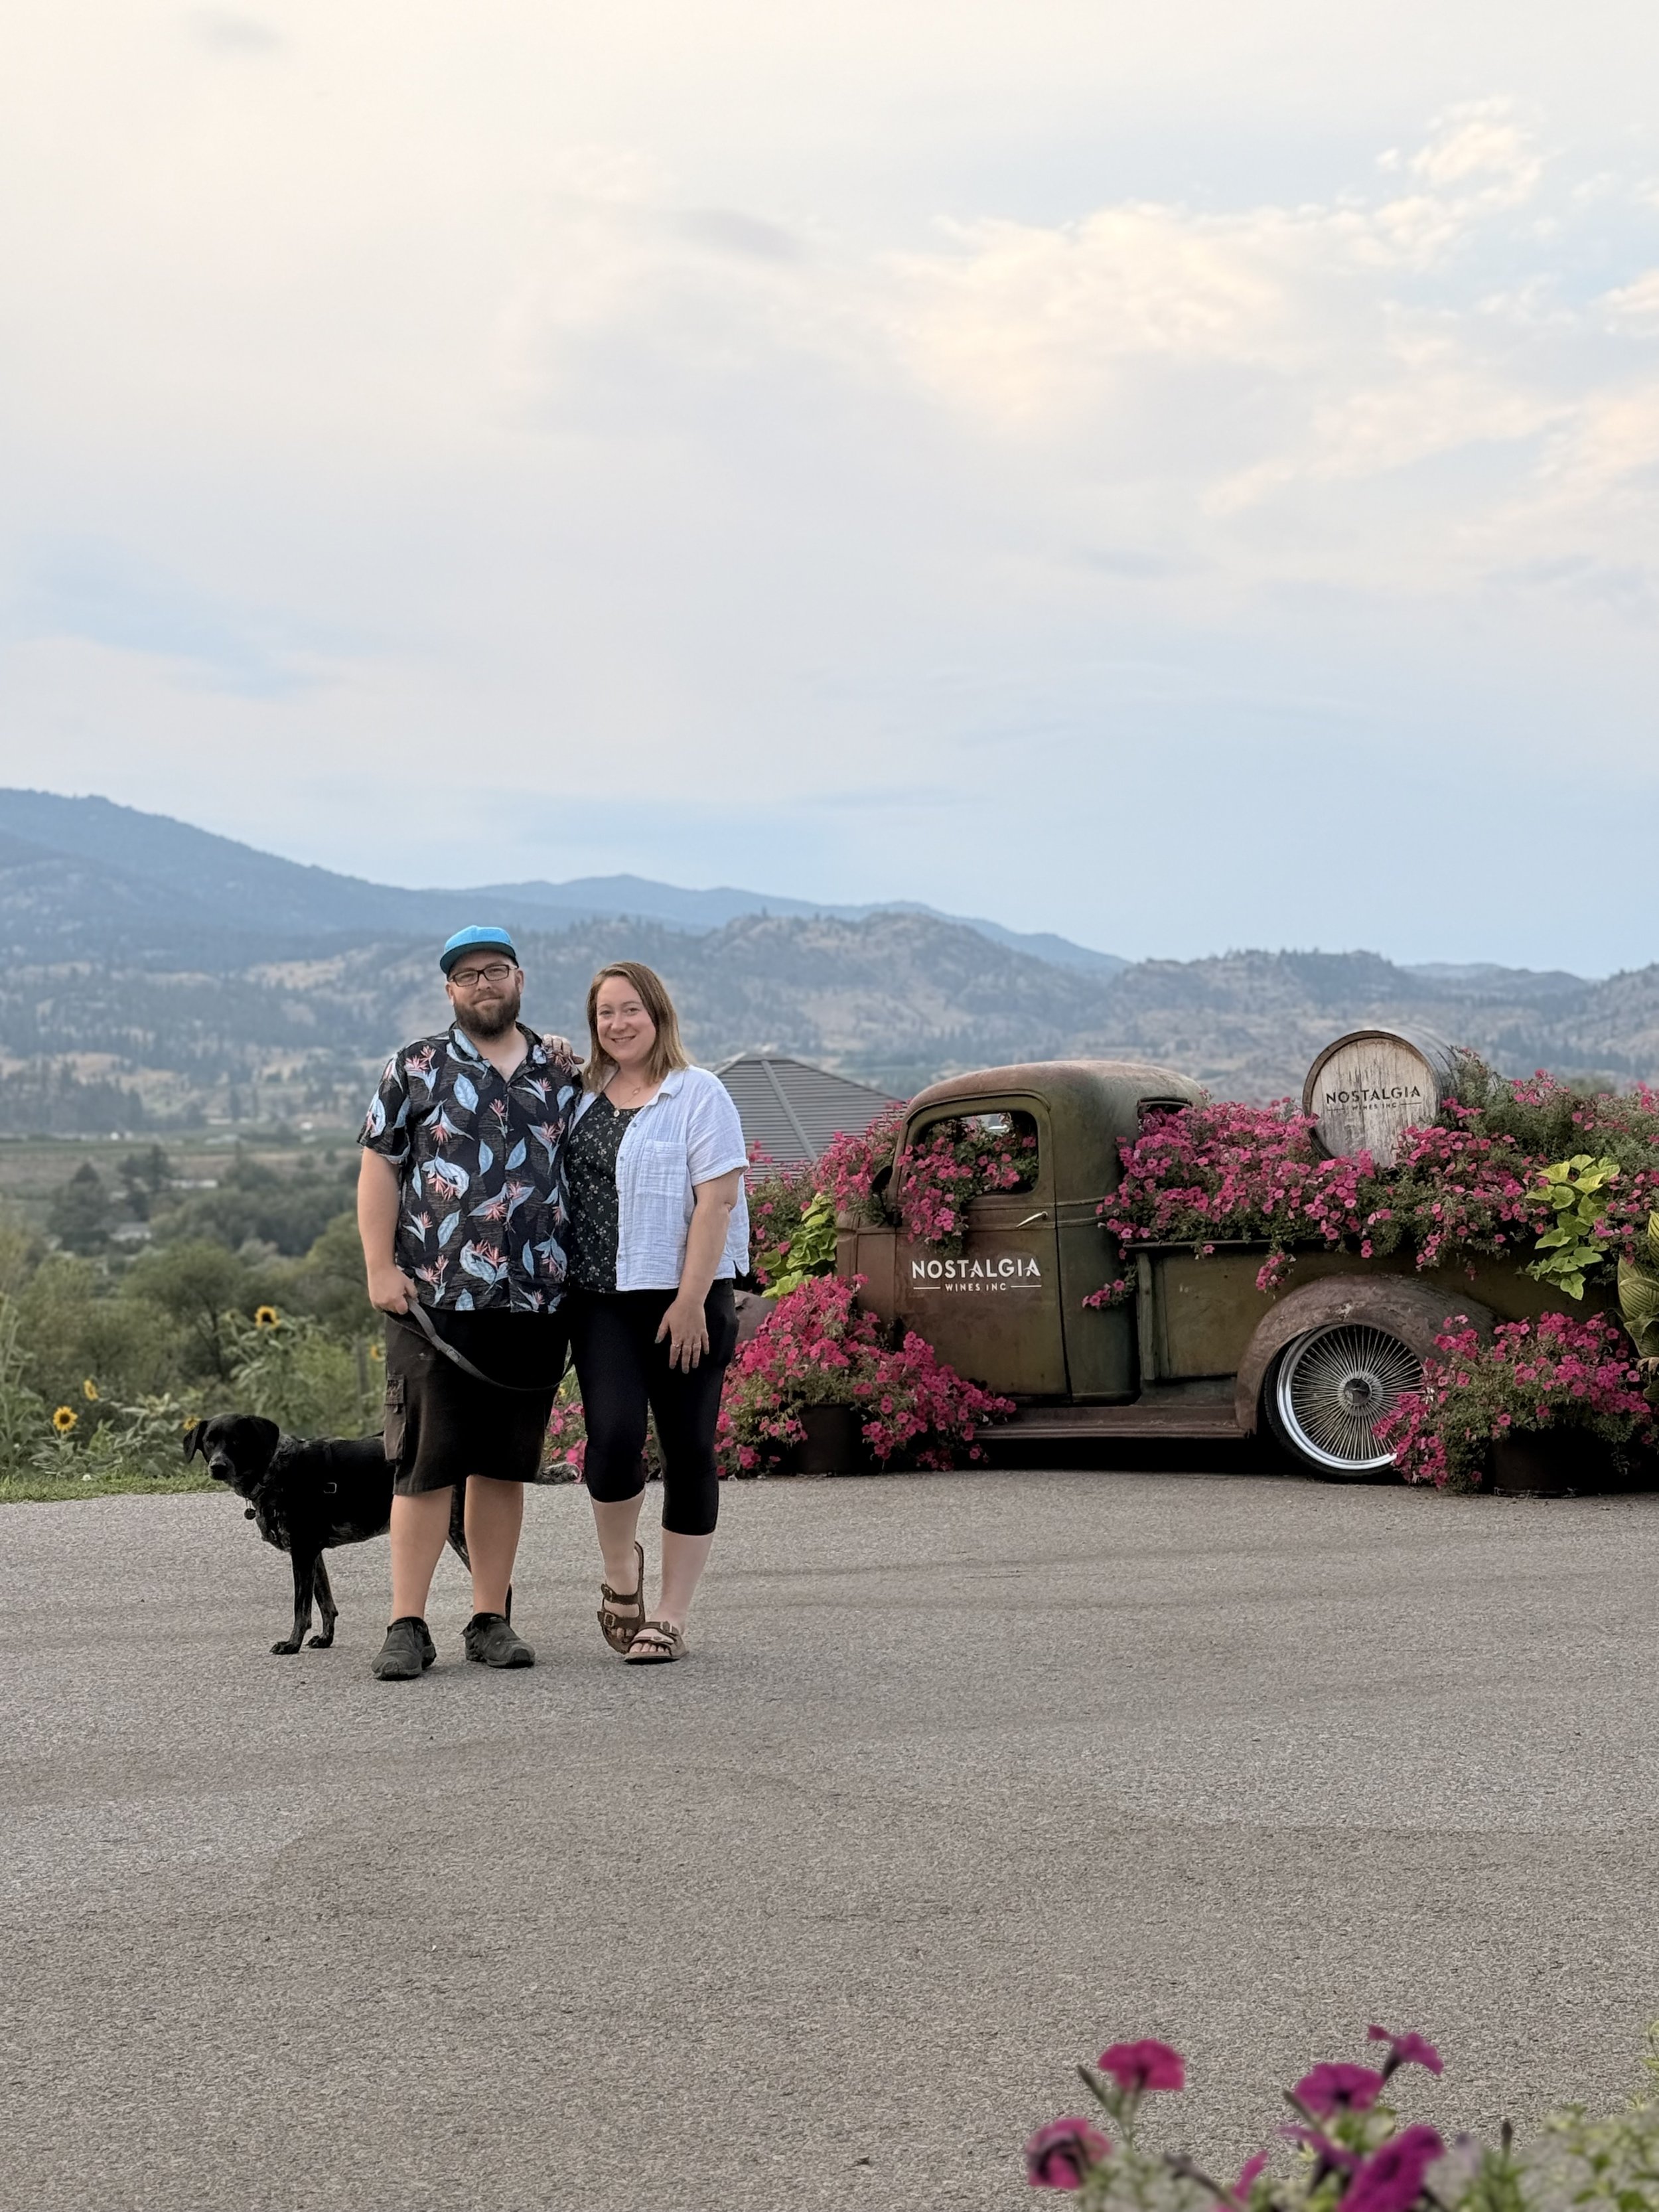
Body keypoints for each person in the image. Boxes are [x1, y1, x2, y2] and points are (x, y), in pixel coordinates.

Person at [356, 925, 580, 1680]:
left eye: (497, 971)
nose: (485, 984)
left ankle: (490, 1618)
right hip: (435, 1299)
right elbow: (380, 1168)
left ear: (520, 979)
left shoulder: (561, 1071)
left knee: (504, 1467)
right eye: (468, 976)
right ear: (450, 991)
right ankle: (405, 1624)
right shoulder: (413, 1067)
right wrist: (379, 1268)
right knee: (425, 1464)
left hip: (536, 1297)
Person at [561, 961, 748, 1663]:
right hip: (600, 1300)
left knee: (689, 1447)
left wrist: (693, 1301)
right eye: (605, 1014)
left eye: (630, 1009)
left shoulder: (699, 1095)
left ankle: (668, 1615)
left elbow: (718, 1202)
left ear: (658, 1014)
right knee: (610, 1442)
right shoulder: (581, 1095)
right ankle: (620, 1573)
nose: (618, 1024)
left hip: (687, 1297)